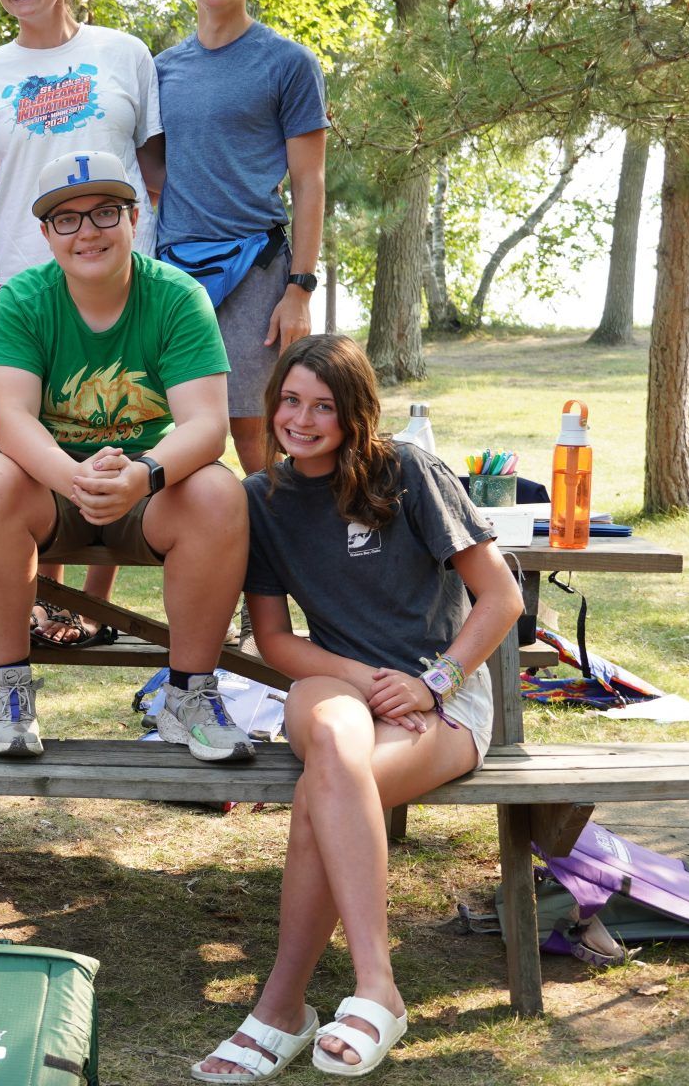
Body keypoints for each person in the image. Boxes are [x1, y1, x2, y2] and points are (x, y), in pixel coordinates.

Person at [190, 334, 520, 1082]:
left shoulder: (405, 470)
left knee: (325, 788)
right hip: (336, 684)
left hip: (440, 701)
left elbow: (501, 597)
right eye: (290, 401)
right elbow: (274, 639)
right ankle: (375, 990)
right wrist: (362, 677)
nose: (302, 420)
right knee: (335, 745)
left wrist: (433, 680)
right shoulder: (262, 500)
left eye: (324, 407)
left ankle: (283, 1006)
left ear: (355, 413)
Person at [0, 150, 248, 761]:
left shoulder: (177, 297)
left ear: (134, 219)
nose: (87, 231)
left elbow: (206, 424)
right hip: (49, 486)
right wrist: (75, 478)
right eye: (67, 219)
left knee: (220, 493)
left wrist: (143, 475)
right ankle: (9, 694)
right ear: (45, 233)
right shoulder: (23, 299)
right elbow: (11, 418)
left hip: (149, 488)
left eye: (105, 212)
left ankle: (189, 696)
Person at [0, 0, 167, 649]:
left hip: (122, 275)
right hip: (29, 279)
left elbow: (157, 168)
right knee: (33, 446)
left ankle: (91, 603)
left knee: (120, 425)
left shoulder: (125, 53)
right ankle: (40, 603)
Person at [156, 0, 326, 477]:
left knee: (259, 436)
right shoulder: (161, 69)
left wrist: (299, 288)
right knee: (175, 437)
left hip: (256, 267)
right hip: (175, 271)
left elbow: (309, 180)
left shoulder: (288, 63)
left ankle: (280, 564)